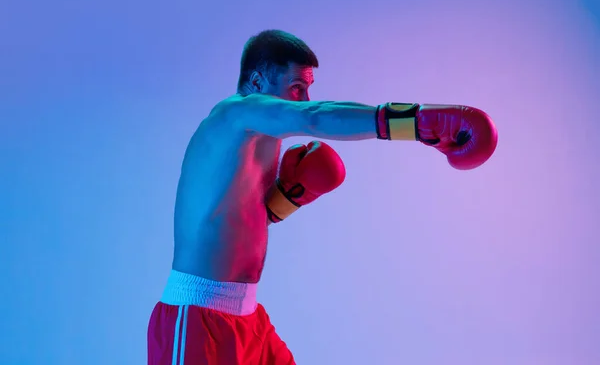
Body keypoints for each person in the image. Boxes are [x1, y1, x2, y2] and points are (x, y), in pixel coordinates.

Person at [147, 30, 498, 365]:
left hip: (249, 318)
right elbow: (313, 118)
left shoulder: (262, 138)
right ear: (256, 83)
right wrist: (415, 122)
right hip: (196, 320)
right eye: (296, 88)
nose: (305, 100)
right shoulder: (234, 113)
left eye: (308, 89)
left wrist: (288, 197)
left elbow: (242, 219)